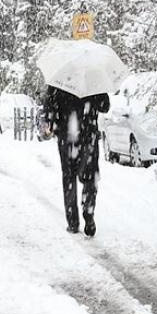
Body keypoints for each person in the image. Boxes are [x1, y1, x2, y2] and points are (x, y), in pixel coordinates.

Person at [42, 86, 110, 236]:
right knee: (90, 177)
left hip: (67, 138)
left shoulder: (60, 83)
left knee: (69, 178)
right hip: (88, 136)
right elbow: (105, 106)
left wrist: (51, 122)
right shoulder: (93, 80)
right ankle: (89, 212)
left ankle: (73, 221)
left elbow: (49, 109)